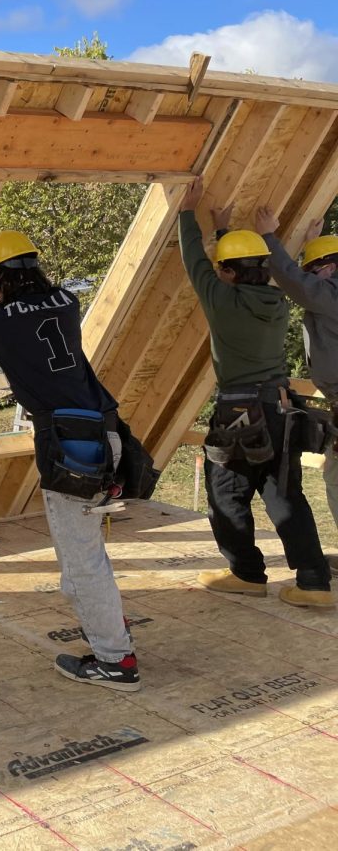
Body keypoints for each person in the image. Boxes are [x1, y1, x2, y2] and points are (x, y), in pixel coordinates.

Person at [0, 209, 140, 691]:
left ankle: (116, 661)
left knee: (80, 564)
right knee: (88, 549)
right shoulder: (67, 302)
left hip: (70, 448)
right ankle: (111, 631)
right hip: (106, 436)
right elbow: (15, 302)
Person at [178, 179, 331, 607]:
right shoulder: (278, 302)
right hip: (281, 407)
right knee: (285, 494)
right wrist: (226, 233)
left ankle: (246, 573)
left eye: (222, 267)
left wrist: (187, 214)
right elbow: (234, 270)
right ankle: (314, 582)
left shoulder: (223, 303)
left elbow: (195, 261)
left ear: (227, 274)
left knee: (226, 491)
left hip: (239, 412)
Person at [249, 206, 338, 601]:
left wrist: (269, 237)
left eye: (315, 268)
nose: (313, 275)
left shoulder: (331, 292)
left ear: (327, 268)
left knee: (337, 482)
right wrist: (306, 241)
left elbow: (292, 281)